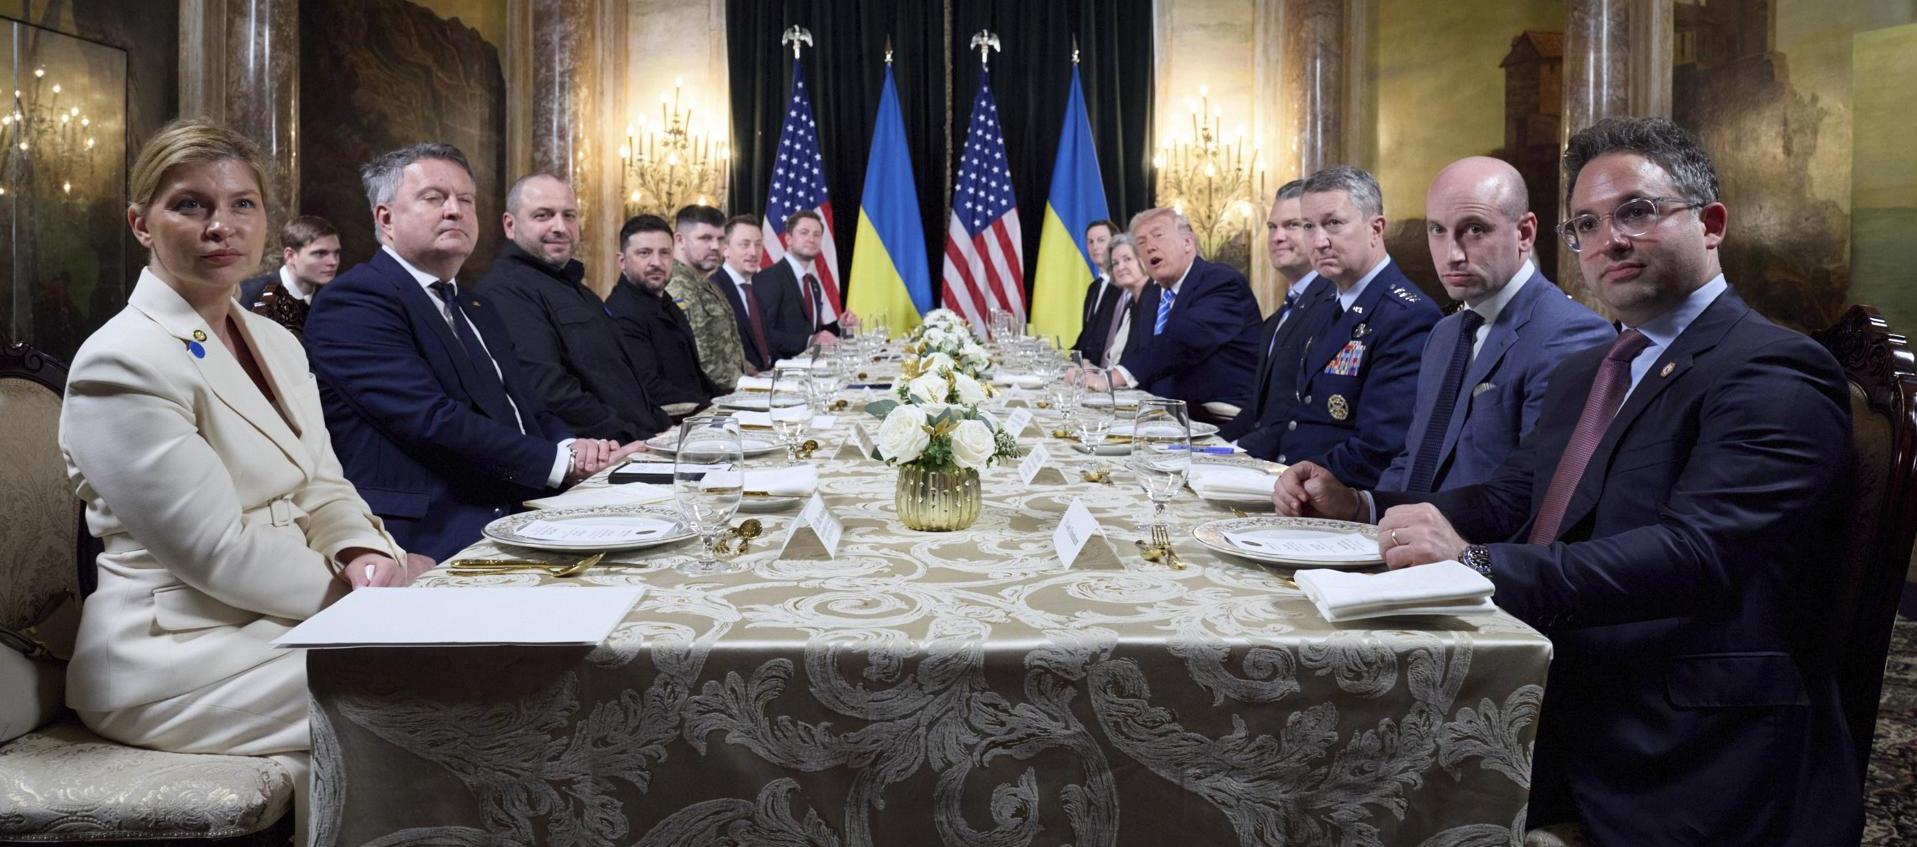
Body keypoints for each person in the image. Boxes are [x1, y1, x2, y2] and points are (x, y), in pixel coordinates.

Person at [1275, 117, 1861, 845]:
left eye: (1637, 212)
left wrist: (1473, 563)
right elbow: (1511, 495)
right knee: (1306, 756)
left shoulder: (1771, 366)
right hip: (1567, 671)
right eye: (1585, 223)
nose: (1606, 239)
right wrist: (1363, 504)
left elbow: (1696, 555)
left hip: (1675, 734)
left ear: (1709, 224)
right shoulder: (1599, 364)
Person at [59, 119, 421, 846]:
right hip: (175, 657)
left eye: (242, 204)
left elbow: (323, 480)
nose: (221, 225)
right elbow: (215, 550)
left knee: (478, 659)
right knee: (440, 690)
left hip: (281, 622)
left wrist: (364, 555)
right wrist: (362, 600)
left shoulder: (276, 340)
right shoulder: (121, 361)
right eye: (189, 205)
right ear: (140, 224)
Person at [304, 142, 638, 562]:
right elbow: (431, 421)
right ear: (385, 219)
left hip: (519, 502)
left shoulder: (474, 304)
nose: (454, 210)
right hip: (433, 530)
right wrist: (561, 464)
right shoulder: (354, 301)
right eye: (434, 198)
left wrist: (577, 446)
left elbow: (526, 408)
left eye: (465, 200)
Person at [1375, 157, 1613, 492]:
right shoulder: (1444, 334)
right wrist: (1360, 508)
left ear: (1525, 233)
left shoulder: (1570, 334)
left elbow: (1534, 495)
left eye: (1474, 229)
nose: (1452, 254)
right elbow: (1413, 459)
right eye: (1438, 230)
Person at [1237, 165, 1440, 487]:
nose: (1318, 241)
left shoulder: (1407, 316)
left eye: (1333, 223)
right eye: (1308, 226)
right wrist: (1228, 457)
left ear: (1376, 228)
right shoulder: (1327, 304)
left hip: (1341, 501)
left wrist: (1294, 481)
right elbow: (1296, 419)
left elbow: (1381, 447)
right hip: (1292, 482)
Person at [474, 173, 667, 440]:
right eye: (543, 215)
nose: (560, 227)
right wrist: (630, 437)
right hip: (605, 454)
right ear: (510, 225)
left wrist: (662, 427)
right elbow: (550, 391)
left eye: (569, 216)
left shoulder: (575, 286)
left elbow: (620, 378)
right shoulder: (506, 289)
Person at [1089, 208, 1260, 414]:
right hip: (1161, 415)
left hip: (1216, 417)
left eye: (1158, 236)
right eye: (1141, 242)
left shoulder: (1220, 282)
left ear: (1187, 242)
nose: (1150, 247)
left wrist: (1115, 378)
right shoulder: (1152, 294)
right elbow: (1145, 354)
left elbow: (1183, 340)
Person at [1222, 180, 1333, 441]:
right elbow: (1257, 408)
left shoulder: (1332, 305)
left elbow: (1303, 413)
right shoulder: (1275, 320)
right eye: (1272, 227)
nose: (1277, 237)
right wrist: (1207, 447)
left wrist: (1240, 450)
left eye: (1291, 225)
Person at [605, 213, 718, 408]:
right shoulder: (622, 313)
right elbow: (650, 389)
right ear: (622, 261)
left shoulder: (666, 302)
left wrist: (726, 401)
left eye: (664, 253)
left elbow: (695, 375)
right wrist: (711, 408)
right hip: (667, 426)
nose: (656, 262)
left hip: (697, 413)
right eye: (644, 253)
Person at [665, 204, 749, 392]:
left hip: (731, 393)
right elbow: (701, 360)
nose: (715, 246)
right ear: (680, 240)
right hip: (708, 402)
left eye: (720, 239)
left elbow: (725, 349)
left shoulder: (704, 282)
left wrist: (751, 374)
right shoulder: (677, 287)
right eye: (705, 238)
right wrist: (749, 386)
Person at [709, 215, 806, 371]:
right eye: (745, 245)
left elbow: (766, 345)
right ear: (725, 249)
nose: (753, 252)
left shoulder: (754, 287)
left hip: (769, 377)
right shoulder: (714, 289)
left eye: (758, 245)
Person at [756, 209, 857, 349]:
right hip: (781, 368)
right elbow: (762, 334)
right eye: (804, 232)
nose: (811, 239)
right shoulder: (770, 278)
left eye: (817, 234)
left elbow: (811, 332)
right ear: (788, 239)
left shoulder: (812, 283)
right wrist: (809, 341)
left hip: (811, 366)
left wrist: (841, 326)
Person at [237, 214, 341, 337]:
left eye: (336, 253)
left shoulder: (334, 299)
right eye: (320, 253)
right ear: (290, 256)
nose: (333, 262)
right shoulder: (250, 295)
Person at [1092, 234, 1149, 369]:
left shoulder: (1156, 299)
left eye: (1127, 259)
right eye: (1115, 263)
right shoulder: (1132, 303)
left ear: (1143, 259)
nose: (1120, 267)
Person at [1075, 218, 1119, 343]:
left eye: (1101, 240)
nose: (1095, 246)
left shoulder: (1124, 287)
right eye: (1090, 242)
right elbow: (1087, 335)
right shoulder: (1093, 288)